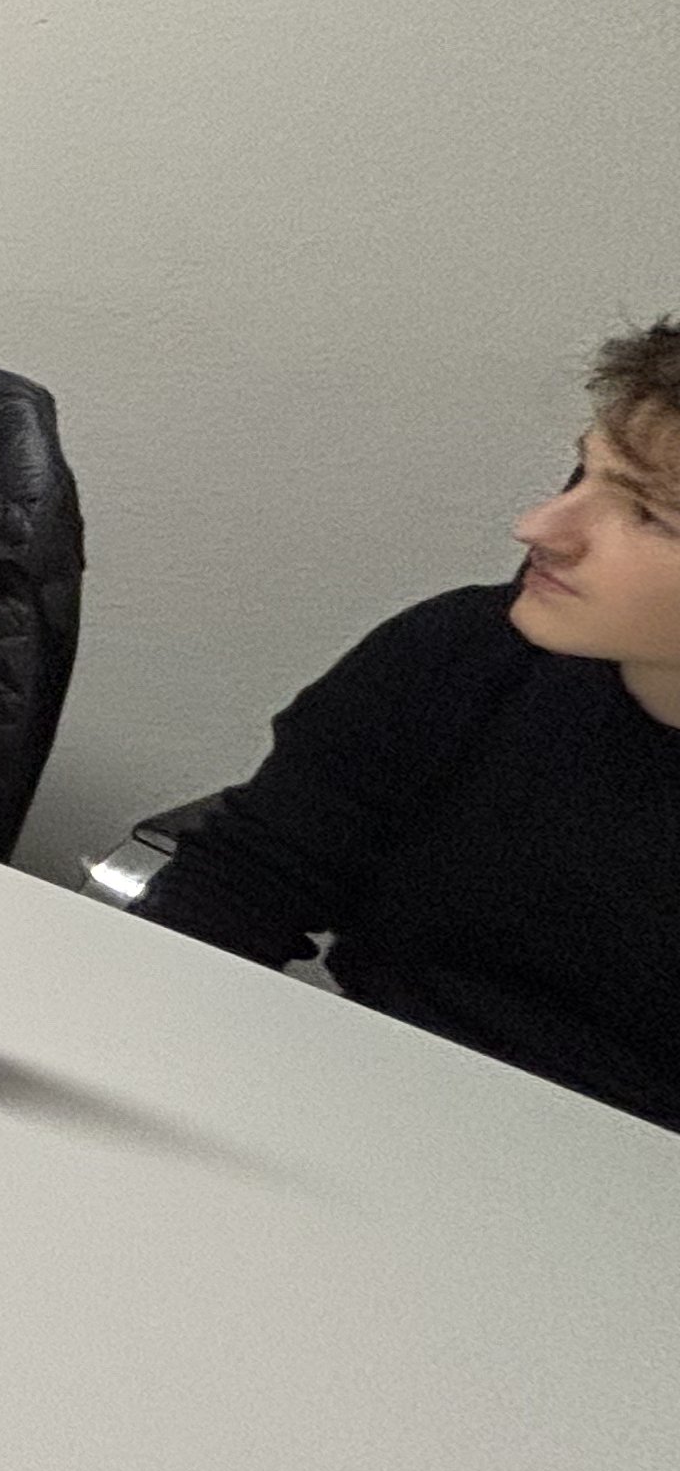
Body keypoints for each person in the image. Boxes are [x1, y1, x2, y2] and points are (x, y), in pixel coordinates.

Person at [130, 320, 680, 1131]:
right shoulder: (464, 654)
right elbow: (238, 888)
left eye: (647, 514)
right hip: (352, 1105)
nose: (540, 527)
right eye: (582, 471)